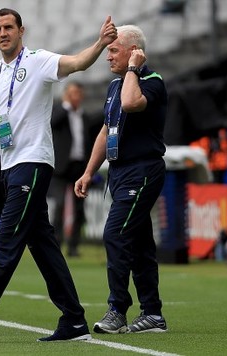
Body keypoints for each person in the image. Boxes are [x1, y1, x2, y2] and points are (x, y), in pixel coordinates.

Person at [0, 8, 117, 343]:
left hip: (33, 162)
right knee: (43, 246)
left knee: (7, 241)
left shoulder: (38, 61)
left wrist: (99, 43)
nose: (2, 33)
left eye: (8, 27)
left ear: (22, 30)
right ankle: (74, 321)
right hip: (9, 166)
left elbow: (78, 63)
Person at [74, 25, 169, 334]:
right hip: (119, 172)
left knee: (115, 234)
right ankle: (152, 313)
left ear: (134, 52)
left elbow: (131, 104)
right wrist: (89, 171)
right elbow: (107, 130)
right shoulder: (115, 86)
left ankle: (117, 309)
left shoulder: (151, 82)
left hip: (142, 170)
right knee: (139, 243)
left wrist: (132, 69)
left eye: (114, 50)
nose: (107, 56)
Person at [47, 81, 95, 257]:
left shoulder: (84, 116)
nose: (76, 96)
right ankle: (56, 243)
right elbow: (52, 123)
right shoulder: (60, 111)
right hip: (60, 166)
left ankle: (74, 245)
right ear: (66, 94)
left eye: (78, 93)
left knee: (79, 208)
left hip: (78, 166)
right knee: (59, 205)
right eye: (72, 92)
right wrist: (66, 106)